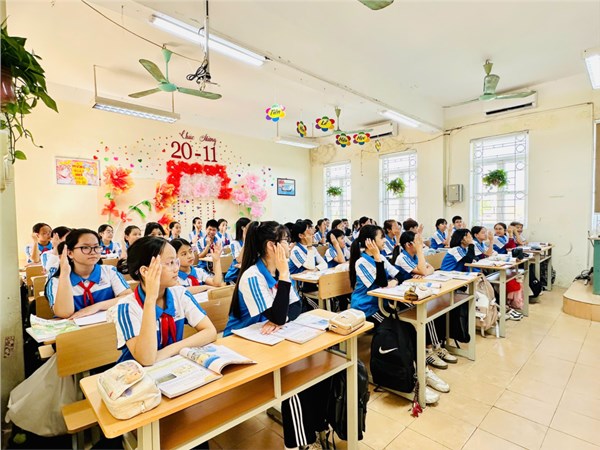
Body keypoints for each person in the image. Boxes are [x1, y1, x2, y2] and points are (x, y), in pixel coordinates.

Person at [223, 221, 326, 450]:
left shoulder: (276, 271)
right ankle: (298, 444)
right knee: (295, 380)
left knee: (317, 367)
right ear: (272, 246)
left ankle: (317, 427)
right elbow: (279, 315)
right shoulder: (252, 276)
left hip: (269, 340)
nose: (290, 245)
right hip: (241, 346)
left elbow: (296, 308)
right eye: (286, 241)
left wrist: (280, 318)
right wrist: (286, 275)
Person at [112, 236, 217, 365]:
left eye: (176, 262)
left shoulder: (180, 294)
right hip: (138, 372)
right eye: (170, 263)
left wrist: (168, 352)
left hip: (171, 364)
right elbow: (146, 359)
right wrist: (150, 299)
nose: (176, 268)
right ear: (145, 271)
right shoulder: (126, 307)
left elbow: (210, 331)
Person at [45, 228, 132, 319]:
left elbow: (128, 297)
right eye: (85, 247)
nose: (93, 252)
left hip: (106, 325)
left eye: (96, 247)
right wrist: (64, 275)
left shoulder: (110, 271)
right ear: (70, 253)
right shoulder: (56, 281)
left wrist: (96, 307)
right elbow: (64, 313)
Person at [349, 225, 409, 326]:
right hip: (366, 307)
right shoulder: (361, 262)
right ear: (370, 242)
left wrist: (395, 280)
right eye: (381, 237)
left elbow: (400, 275)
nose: (385, 240)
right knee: (394, 325)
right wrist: (377, 256)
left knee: (410, 311)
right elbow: (382, 283)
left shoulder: (381, 257)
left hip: (381, 304)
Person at [224, 217, 251, 284]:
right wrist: (245, 242)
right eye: (249, 226)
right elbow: (239, 260)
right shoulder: (234, 243)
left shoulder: (251, 242)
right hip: (234, 275)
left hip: (245, 272)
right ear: (243, 228)